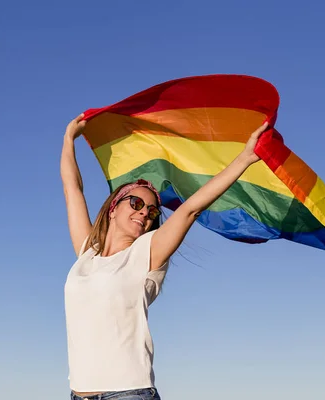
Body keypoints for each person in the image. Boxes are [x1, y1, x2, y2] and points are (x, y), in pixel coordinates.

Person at [60, 113, 269, 400]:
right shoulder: (87, 253)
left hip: (127, 394)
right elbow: (73, 190)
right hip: (77, 394)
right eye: (136, 203)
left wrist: (244, 159)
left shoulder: (147, 253)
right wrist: (69, 138)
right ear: (113, 208)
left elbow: (190, 209)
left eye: (152, 211)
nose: (144, 212)